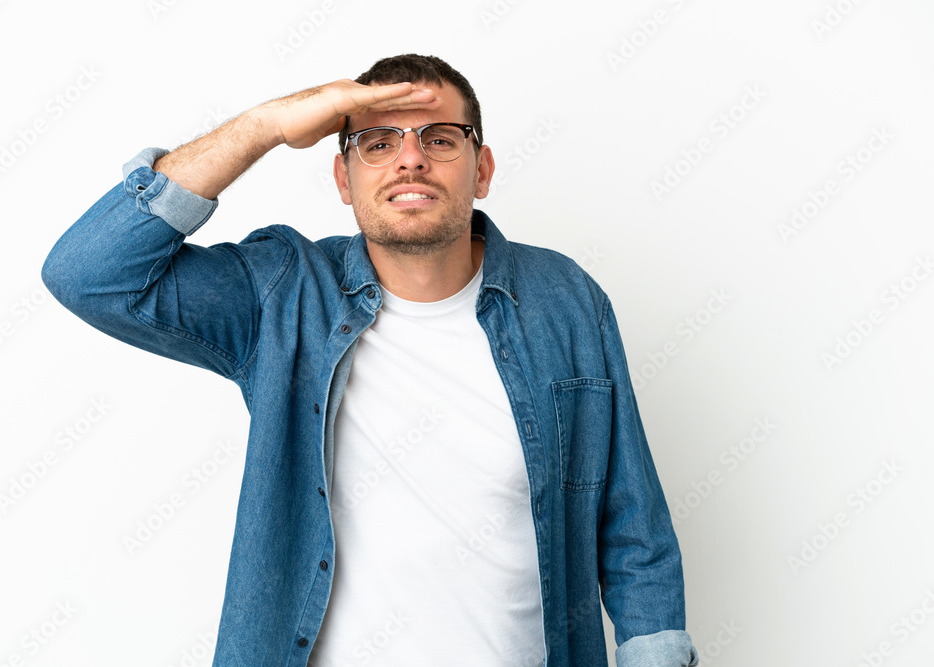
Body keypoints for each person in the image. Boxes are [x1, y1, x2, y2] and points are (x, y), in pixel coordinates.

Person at [42, 54, 699, 667]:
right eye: (378, 143)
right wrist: (264, 126)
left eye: (440, 138)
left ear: (482, 170)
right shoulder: (284, 294)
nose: (410, 159)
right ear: (343, 178)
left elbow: (633, 529)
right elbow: (89, 274)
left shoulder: (565, 299)